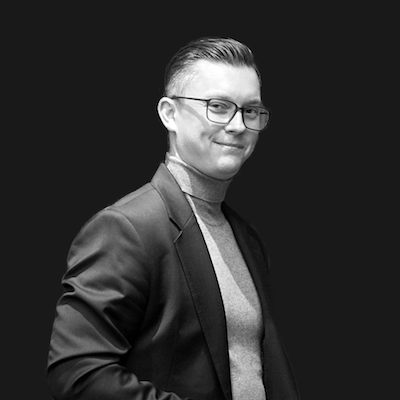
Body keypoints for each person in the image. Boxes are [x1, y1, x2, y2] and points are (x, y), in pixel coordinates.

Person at [46, 36, 300, 400]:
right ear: (169, 113)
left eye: (250, 110)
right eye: (218, 106)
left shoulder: (247, 238)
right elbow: (77, 374)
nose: (238, 125)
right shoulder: (126, 229)